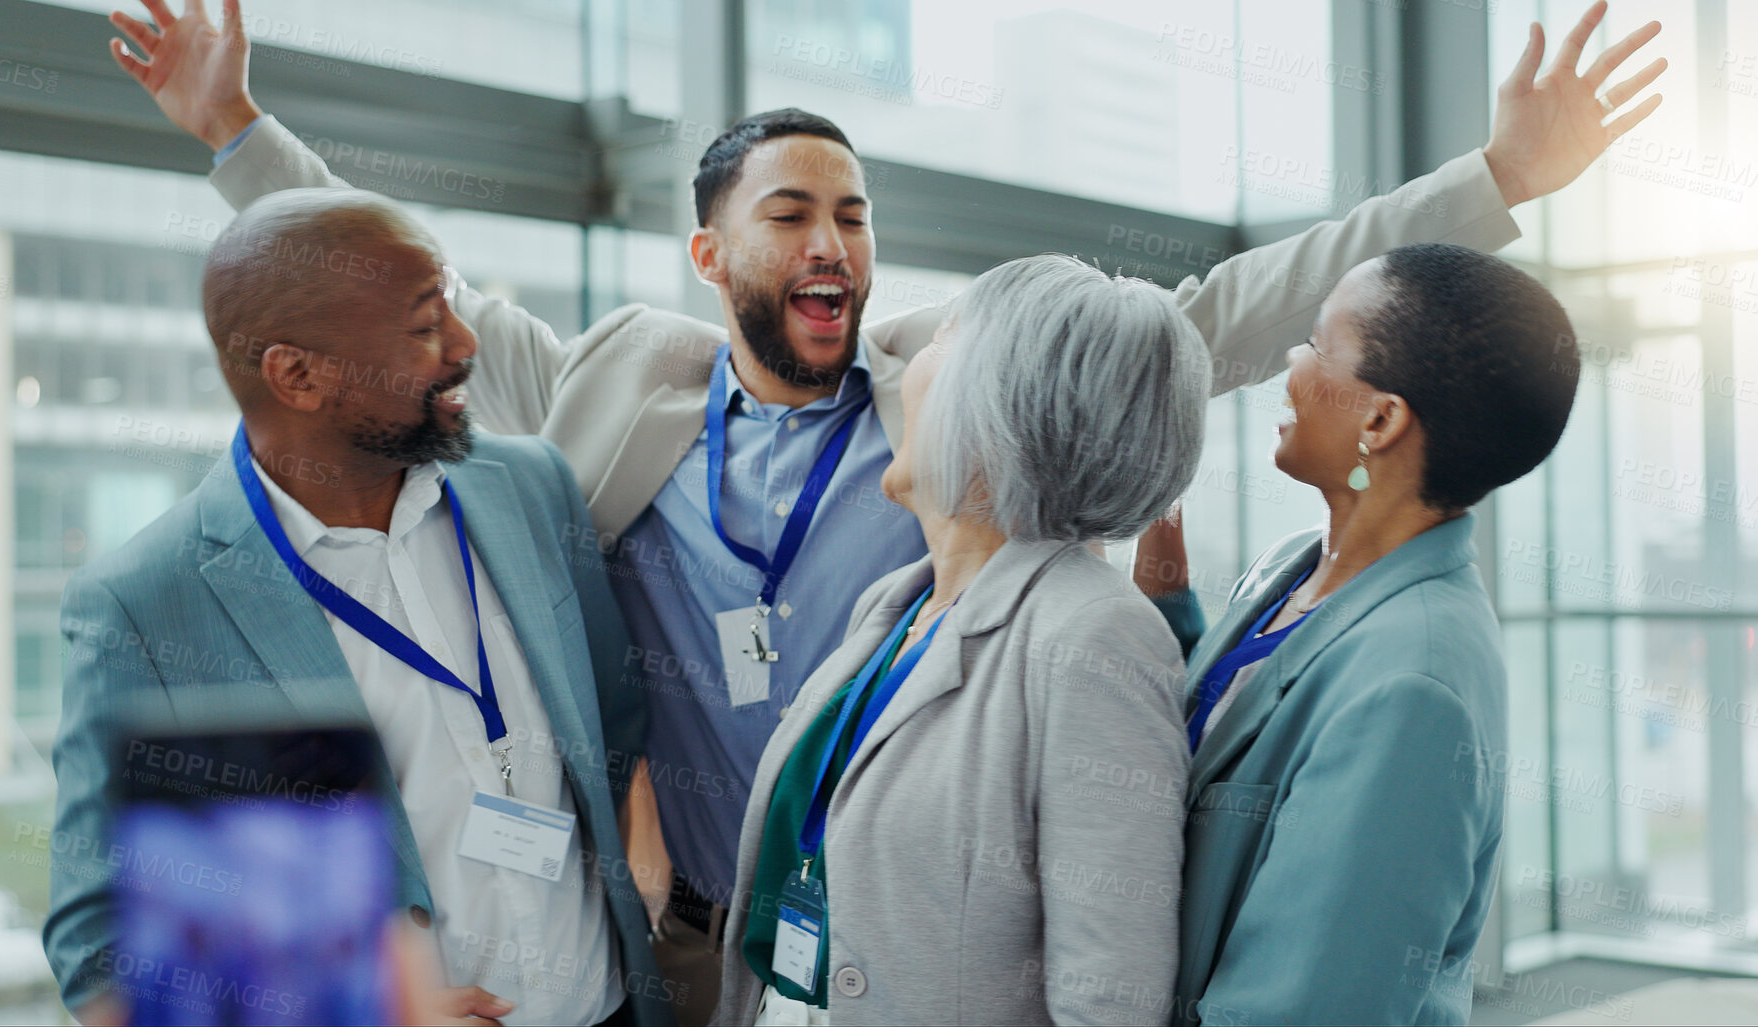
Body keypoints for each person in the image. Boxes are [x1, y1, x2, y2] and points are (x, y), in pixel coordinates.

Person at [104, 2, 1661, 1017]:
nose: (832, 239)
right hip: (696, 943)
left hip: (920, 959)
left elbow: (1221, 312)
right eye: (787, 214)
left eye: (852, 212)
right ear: (712, 257)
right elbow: (403, 294)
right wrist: (238, 137)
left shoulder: (961, 391)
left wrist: (1494, 180)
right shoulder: (610, 383)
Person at [43, 188, 669, 1026]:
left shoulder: (530, 484)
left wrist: (642, 825)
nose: (465, 343)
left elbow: (615, 717)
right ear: (297, 375)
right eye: (423, 326)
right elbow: (98, 950)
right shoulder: (144, 605)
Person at [714, 255, 1205, 1025]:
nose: (905, 367)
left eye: (941, 336)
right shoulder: (897, 602)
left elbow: (1110, 996)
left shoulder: (1094, 634)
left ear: (1001, 399)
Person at [1133, 243, 1581, 1024]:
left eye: (1314, 342)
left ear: (1379, 418)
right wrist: (1166, 609)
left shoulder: (1413, 687)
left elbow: (1304, 1009)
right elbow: (1230, 749)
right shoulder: (1290, 566)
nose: (1290, 359)